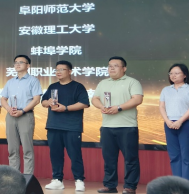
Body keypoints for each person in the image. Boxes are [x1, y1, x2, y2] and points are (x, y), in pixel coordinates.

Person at [91, 56, 143, 194]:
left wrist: (119, 108)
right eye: (109, 66)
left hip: (127, 126)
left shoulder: (132, 82)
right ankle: (110, 185)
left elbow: (137, 99)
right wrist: (101, 106)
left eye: (115, 65)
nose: (111, 68)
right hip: (107, 127)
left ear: (124, 68)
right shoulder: (103, 83)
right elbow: (95, 99)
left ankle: (130, 186)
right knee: (109, 159)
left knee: (130, 159)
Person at [41, 60, 89, 191]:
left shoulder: (78, 87)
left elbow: (84, 103)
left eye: (62, 69)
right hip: (53, 126)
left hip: (72, 127)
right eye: (57, 69)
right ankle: (57, 179)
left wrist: (66, 108)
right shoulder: (52, 87)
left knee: (75, 155)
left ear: (70, 71)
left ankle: (79, 180)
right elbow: (43, 102)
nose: (58, 72)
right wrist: (48, 102)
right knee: (55, 155)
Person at [0, 55, 42, 175]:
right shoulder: (10, 82)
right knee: (12, 149)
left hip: (25, 115)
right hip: (11, 115)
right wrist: (9, 109)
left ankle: (27, 177)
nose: (17, 64)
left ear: (28, 65)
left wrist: (22, 111)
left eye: (21, 62)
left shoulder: (33, 81)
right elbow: (3, 99)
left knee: (27, 148)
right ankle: (14, 176)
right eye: (15, 62)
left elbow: (36, 100)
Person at [159, 64, 189, 185]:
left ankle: (188, 187)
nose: (173, 76)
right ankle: (177, 186)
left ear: (185, 75)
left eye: (177, 73)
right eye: (171, 73)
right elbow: (161, 107)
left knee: (186, 157)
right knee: (174, 157)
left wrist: (180, 121)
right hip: (169, 124)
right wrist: (167, 121)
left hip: (186, 124)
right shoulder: (166, 90)